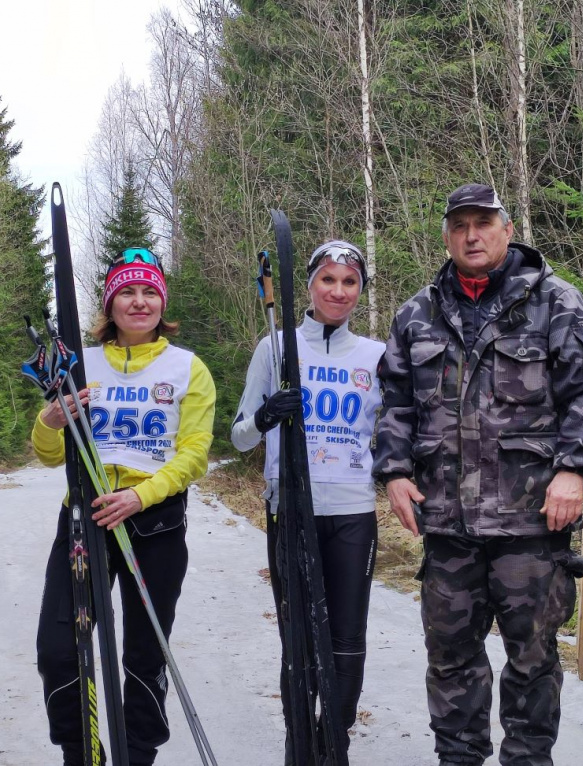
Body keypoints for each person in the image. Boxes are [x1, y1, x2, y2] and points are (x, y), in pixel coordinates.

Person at [372, 183, 583, 766]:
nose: (471, 235)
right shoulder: (417, 313)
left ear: (507, 229)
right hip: (448, 522)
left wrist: (574, 471)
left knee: (532, 659)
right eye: (460, 225)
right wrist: (396, 472)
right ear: (448, 235)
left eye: (483, 223)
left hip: (530, 520)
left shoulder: (556, 302)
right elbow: (395, 401)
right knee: (450, 656)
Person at [32, 247, 216, 766]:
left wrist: (139, 495)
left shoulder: (188, 368)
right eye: (127, 292)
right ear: (110, 305)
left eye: (149, 291)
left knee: (143, 654)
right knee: (59, 649)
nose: (139, 301)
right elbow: (48, 456)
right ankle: (79, 753)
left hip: (153, 521)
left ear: (162, 300)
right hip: (84, 519)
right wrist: (50, 420)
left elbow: (194, 454)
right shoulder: (79, 364)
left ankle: (138, 756)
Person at [231, 239, 384, 761]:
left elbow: (396, 431)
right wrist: (267, 415)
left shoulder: (375, 356)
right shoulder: (274, 347)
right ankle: (299, 744)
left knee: (346, 637)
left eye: (349, 282)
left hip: (352, 512)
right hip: (292, 508)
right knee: (298, 637)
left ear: (359, 291)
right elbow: (239, 436)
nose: (338, 291)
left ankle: (330, 747)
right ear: (310, 287)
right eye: (327, 280)